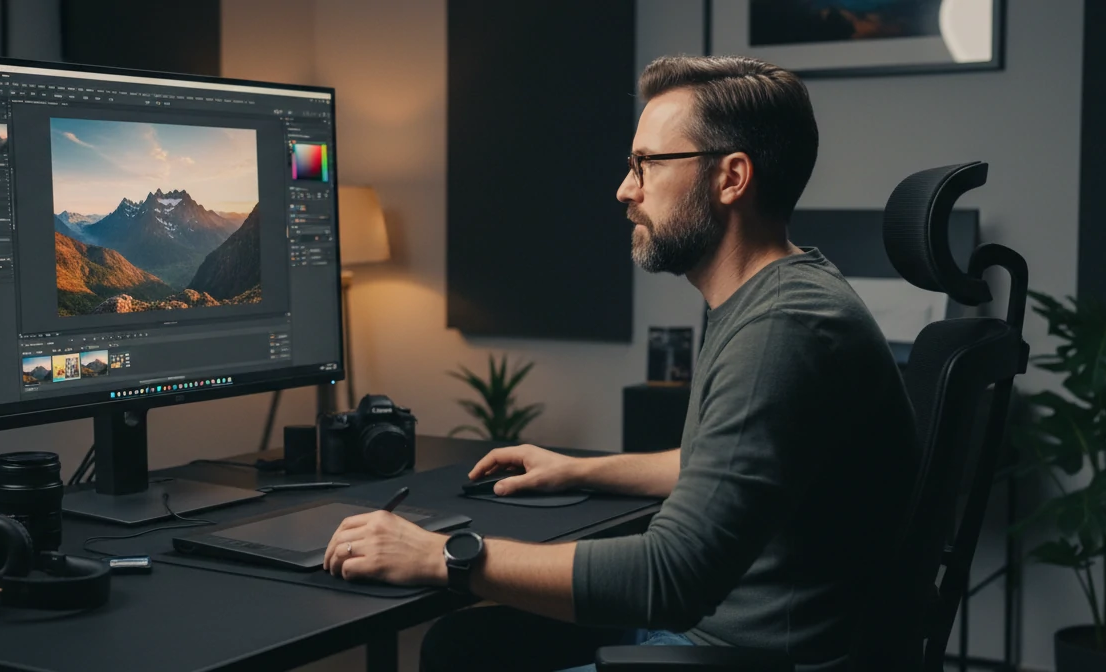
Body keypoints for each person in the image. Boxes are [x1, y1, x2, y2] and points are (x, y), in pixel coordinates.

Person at [321, 54, 919, 672]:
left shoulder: (782, 328)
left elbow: (671, 577)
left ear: (731, 178)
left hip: (735, 656)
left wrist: (442, 555)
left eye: (647, 164)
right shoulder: (776, 295)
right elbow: (728, 464)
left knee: (462, 649)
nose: (625, 188)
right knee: (460, 647)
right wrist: (582, 470)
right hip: (717, 638)